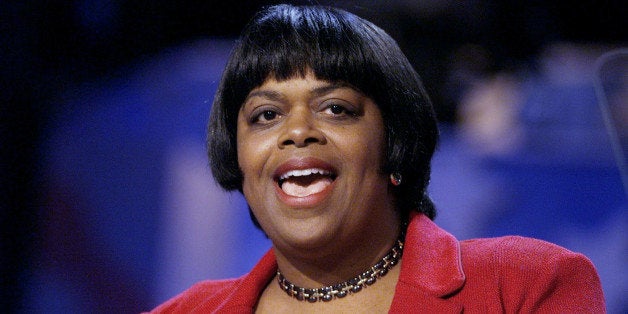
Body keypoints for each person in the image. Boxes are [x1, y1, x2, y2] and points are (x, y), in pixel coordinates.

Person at [149, 4, 605, 313]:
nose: (297, 132)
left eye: (336, 109)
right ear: (239, 158)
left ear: (395, 143)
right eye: (266, 114)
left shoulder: (524, 286)